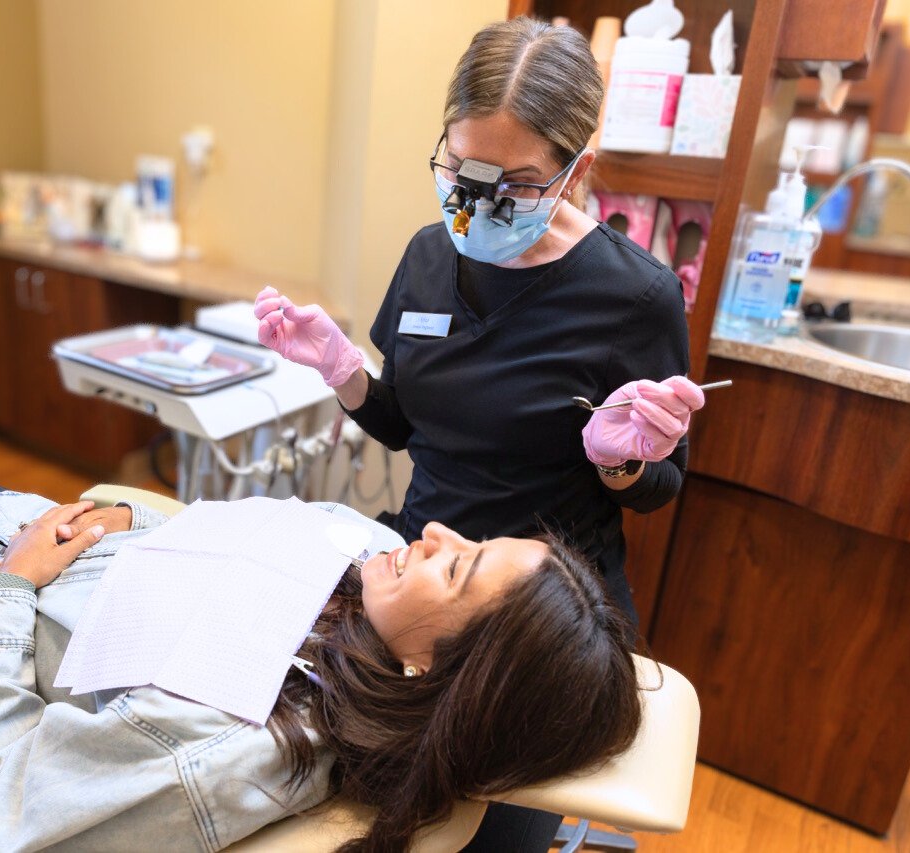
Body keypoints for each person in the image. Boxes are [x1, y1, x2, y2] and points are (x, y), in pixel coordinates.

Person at [0, 428, 642, 853]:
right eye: (470, 540)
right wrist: (132, 515)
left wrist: (10, 592)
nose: (434, 534)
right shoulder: (370, 559)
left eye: (458, 569)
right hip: (35, 527)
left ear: (431, 668)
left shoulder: (250, 738)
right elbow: (247, 521)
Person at [254, 17, 705, 850]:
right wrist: (344, 372)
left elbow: (662, 488)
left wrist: (619, 461)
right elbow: (401, 426)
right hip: (417, 572)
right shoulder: (430, 255)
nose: (476, 202)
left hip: (539, 624)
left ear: (578, 172)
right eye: (461, 170)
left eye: (517, 181)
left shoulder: (634, 298)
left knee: (488, 827)